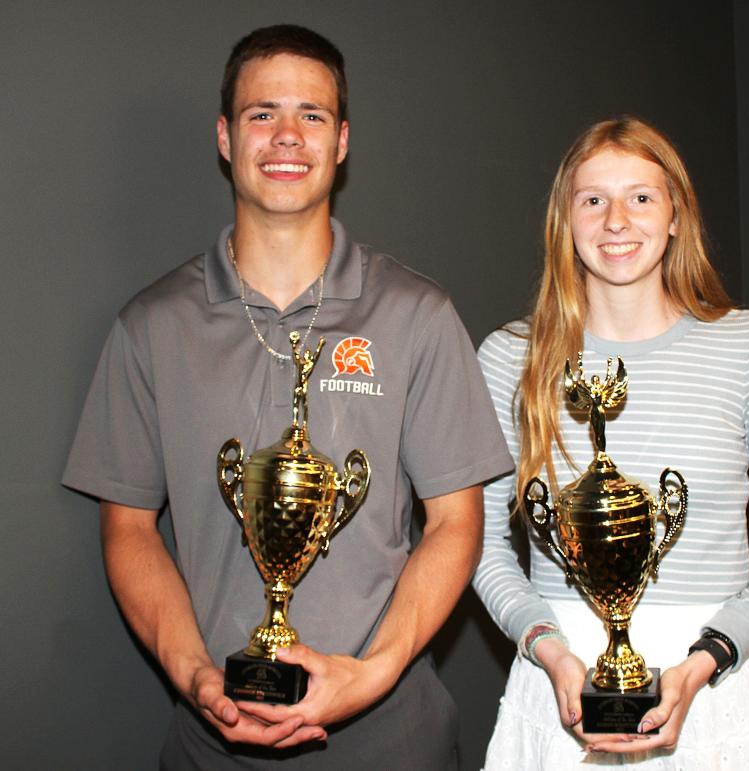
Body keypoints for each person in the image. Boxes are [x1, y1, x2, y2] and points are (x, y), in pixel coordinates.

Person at [62, 24, 513, 769]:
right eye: (261, 113)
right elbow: (130, 531)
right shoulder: (151, 325)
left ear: (341, 141)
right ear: (224, 136)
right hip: (212, 748)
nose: (286, 137)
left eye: (312, 115)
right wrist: (196, 675)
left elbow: (455, 522)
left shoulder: (416, 314)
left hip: (393, 745)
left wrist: (372, 672)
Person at [473, 116, 749, 769]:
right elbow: (480, 543)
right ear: (564, 220)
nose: (617, 219)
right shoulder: (510, 358)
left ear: (675, 217)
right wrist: (549, 648)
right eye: (593, 199)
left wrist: (708, 658)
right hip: (563, 686)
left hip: (716, 680)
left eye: (641, 196)